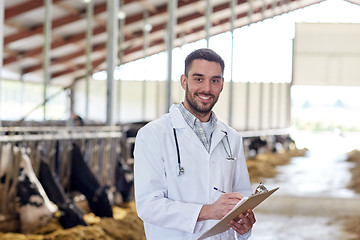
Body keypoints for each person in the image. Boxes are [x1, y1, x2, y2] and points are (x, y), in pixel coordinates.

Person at [134, 48, 255, 239]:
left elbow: (241, 198)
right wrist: (208, 211)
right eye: (199, 79)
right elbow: (148, 206)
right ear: (184, 81)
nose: (207, 88)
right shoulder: (153, 135)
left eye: (214, 80)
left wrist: (244, 225)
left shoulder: (232, 138)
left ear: (222, 85)